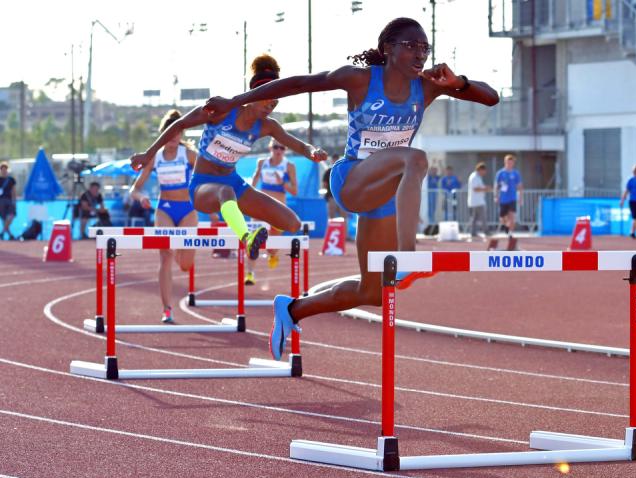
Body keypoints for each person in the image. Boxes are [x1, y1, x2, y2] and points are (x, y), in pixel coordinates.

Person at [204, 17, 499, 360]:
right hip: (352, 179)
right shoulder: (359, 80)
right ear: (388, 49)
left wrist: (459, 82)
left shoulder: (428, 86)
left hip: (387, 193)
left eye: (424, 48)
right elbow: (298, 84)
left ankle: (293, 310)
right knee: (415, 159)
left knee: (372, 291)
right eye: (411, 46)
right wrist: (233, 102)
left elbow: (490, 98)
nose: (420, 54)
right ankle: (408, 255)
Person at [130, 54, 327, 266]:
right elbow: (179, 125)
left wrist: (312, 151)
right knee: (225, 193)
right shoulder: (222, 111)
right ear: (253, 94)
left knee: (292, 224)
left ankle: (235, 214)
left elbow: (297, 144)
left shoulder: (267, 126)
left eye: (276, 100)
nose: (272, 104)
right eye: (268, 97)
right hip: (202, 187)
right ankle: (247, 238)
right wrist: (148, 154)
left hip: (234, 184)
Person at [130, 109, 199, 322]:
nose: (173, 138)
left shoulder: (188, 155)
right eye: (169, 133)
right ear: (163, 134)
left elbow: (206, 177)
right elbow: (135, 189)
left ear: (181, 134)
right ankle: (167, 308)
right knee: (164, 256)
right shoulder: (155, 158)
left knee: (186, 264)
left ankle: (181, 252)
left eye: (177, 133)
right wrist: (141, 197)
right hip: (165, 209)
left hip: (188, 210)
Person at [245, 138, 298, 285]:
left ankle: (273, 254)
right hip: (261, 207)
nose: (279, 151)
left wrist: (283, 183)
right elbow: (254, 181)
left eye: (282, 148)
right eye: (276, 147)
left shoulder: (289, 166)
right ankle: (250, 274)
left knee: (272, 247)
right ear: (270, 148)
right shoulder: (262, 162)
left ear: (285, 150)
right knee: (253, 240)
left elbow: (294, 191)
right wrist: (248, 197)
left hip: (278, 209)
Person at [495, 154, 522, 236]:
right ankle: (506, 226)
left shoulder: (516, 173)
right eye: (508, 162)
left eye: (511, 162)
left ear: (513, 163)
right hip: (503, 198)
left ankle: (510, 233)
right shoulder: (500, 173)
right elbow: (496, 186)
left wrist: (520, 198)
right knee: (502, 218)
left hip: (512, 198)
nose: (510, 164)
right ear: (505, 162)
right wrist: (496, 196)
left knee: (512, 217)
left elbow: (520, 186)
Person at [467, 162, 491, 239]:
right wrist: (485, 188)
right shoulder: (474, 177)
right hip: (476, 201)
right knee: (482, 217)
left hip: (477, 201)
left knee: (474, 218)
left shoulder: (478, 177)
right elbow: (475, 188)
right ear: (480, 169)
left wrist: (485, 188)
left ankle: (473, 232)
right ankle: (485, 231)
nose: (485, 173)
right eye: (484, 171)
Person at [322, 153, 348, 220]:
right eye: (335, 159)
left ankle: (344, 230)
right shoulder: (329, 171)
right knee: (333, 218)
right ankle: (335, 230)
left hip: (341, 197)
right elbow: (324, 185)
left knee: (342, 218)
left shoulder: (341, 170)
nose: (335, 160)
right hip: (333, 197)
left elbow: (324, 185)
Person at [0, 162, 17, 240]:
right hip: (1, 201)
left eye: (5, 169)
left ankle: (2, 232)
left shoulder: (11, 180)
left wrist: (14, 201)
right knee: (4, 219)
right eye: (2, 169)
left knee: (11, 216)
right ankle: (10, 235)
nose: (4, 171)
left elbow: (13, 191)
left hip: (9, 201)